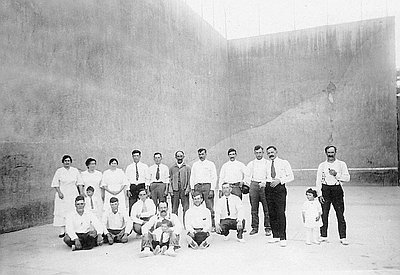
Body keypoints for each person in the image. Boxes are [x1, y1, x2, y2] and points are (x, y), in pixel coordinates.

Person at [316, 145, 350, 245]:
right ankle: (323, 236)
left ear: (336, 152)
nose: (330, 154)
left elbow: (347, 178)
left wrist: (336, 174)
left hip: (337, 189)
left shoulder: (341, 164)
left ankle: (343, 237)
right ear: (325, 153)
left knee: (340, 214)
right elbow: (318, 180)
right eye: (329, 152)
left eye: (332, 152)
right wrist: (319, 194)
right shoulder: (322, 165)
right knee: (324, 214)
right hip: (325, 189)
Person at [265, 146, 294, 247]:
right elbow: (265, 177)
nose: (270, 154)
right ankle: (275, 236)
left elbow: (291, 176)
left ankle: (283, 237)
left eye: (272, 152)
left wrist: (279, 181)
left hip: (279, 188)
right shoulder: (266, 163)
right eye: (268, 153)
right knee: (271, 212)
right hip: (269, 188)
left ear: (276, 152)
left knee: (280, 212)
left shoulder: (284, 162)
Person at [51, 155, 83, 238]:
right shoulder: (59, 171)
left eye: (68, 161)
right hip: (63, 193)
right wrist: (59, 192)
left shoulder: (75, 170)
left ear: (70, 162)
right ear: (63, 162)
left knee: (72, 210)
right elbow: (55, 183)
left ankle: (72, 230)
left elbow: (80, 182)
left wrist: (81, 193)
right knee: (62, 211)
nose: (67, 162)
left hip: (73, 193)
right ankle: (62, 231)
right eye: (65, 161)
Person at [190, 148, 218, 230]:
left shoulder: (210, 164)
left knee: (209, 207)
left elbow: (214, 177)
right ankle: (198, 225)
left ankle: (212, 225)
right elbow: (192, 177)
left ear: (206, 154)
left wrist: (212, 189)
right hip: (197, 187)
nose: (201, 156)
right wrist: (192, 188)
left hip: (207, 186)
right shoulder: (195, 164)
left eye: (202, 154)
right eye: (199, 154)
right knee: (197, 205)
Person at [247, 145, 272, 236]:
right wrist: (250, 184)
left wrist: (264, 182)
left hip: (264, 186)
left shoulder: (267, 163)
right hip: (254, 185)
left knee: (267, 208)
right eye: (256, 153)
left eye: (260, 152)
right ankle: (254, 227)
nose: (258, 154)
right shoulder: (251, 164)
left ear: (263, 153)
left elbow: (269, 175)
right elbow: (247, 176)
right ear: (254, 153)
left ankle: (268, 228)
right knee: (254, 209)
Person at [169, 150, 191, 223]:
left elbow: (189, 179)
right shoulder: (172, 168)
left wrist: (188, 188)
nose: (179, 158)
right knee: (174, 208)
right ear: (175, 157)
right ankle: (175, 224)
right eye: (178, 156)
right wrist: (171, 189)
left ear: (183, 157)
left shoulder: (187, 167)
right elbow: (169, 179)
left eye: (181, 156)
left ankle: (186, 224)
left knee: (186, 208)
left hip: (184, 190)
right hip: (175, 190)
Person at [125, 150, 149, 214]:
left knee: (143, 203)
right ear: (132, 157)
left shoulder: (144, 166)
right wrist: (128, 190)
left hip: (141, 186)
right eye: (134, 156)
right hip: (133, 186)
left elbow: (147, 178)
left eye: (137, 156)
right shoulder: (129, 167)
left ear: (140, 156)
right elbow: (127, 179)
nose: (136, 157)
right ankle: (132, 219)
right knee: (132, 204)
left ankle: (143, 217)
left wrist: (147, 189)